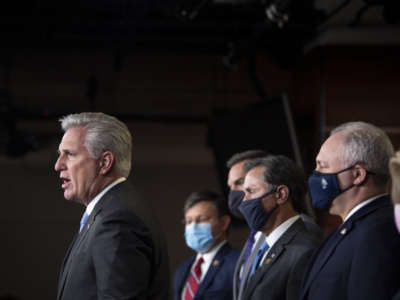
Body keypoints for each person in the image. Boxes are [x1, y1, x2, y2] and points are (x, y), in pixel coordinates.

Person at [54, 112, 170, 300]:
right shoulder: (106, 213)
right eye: (60, 155)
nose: (58, 165)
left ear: (104, 163)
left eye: (70, 154)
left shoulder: (118, 220)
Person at [300, 121, 400, 300]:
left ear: (357, 174)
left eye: (322, 166)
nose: (314, 174)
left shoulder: (378, 234)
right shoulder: (352, 227)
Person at [238, 155, 322, 300]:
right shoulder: (263, 246)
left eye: (251, 191)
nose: (244, 201)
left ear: (281, 194)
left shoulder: (304, 250)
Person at [173, 190, 240, 300]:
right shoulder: (182, 270)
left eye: (201, 220)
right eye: (188, 221)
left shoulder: (239, 262)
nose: (193, 227)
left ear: (223, 223)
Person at [226, 150, 270, 300]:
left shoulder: (299, 233)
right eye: (230, 186)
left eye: (239, 182)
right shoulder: (254, 235)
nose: (233, 193)